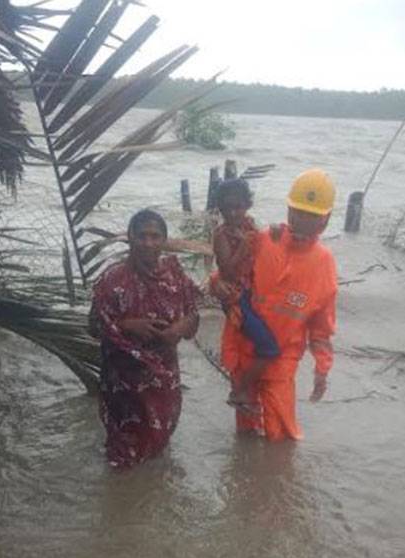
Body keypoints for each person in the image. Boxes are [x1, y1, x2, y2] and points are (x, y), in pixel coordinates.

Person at [219, 169, 338, 441]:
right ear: (288, 209)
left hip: (282, 360)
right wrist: (216, 286)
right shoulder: (263, 240)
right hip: (243, 352)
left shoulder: (324, 263)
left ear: (326, 219)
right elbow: (232, 275)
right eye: (297, 211)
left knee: (281, 437)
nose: (302, 220)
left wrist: (322, 369)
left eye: (311, 215)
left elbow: (322, 327)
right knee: (245, 433)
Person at [89, 209, 200, 468]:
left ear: (164, 240)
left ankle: (150, 496)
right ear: (129, 238)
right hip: (123, 384)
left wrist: (179, 328)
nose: (148, 243)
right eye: (141, 236)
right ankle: (122, 500)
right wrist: (127, 325)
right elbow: (93, 326)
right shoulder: (112, 279)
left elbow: (194, 316)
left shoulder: (175, 276)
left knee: (157, 445)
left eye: (155, 236)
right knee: (122, 454)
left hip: (163, 379)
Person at [211, 178, 280, 413]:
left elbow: (268, 249)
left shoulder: (250, 226)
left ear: (247, 205)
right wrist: (242, 246)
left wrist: (277, 233)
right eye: (227, 208)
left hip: (253, 292)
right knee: (268, 347)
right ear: (220, 209)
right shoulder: (221, 235)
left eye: (238, 207)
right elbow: (227, 270)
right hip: (235, 298)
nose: (233, 213)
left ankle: (246, 393)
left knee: (260, 344)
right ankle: (239, 390)